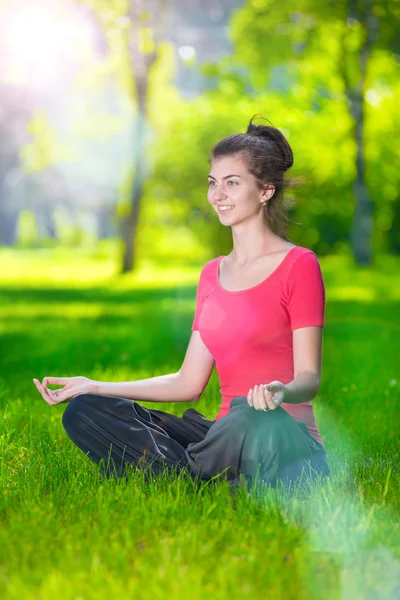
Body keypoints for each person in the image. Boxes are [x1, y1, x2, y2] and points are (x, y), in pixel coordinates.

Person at [33, 115, 330, 493]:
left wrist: (280, 392)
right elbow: (187, 382)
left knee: (247, 414)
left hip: (280, 438)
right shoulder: (212, 275)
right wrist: (95, 387)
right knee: (86, 413)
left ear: (266, 191)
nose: (217, 194)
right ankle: (203, 476)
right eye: (213, 183)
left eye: (232, 183)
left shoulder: (299, 265)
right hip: (220, 437)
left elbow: (309, 378)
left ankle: (186, 474)